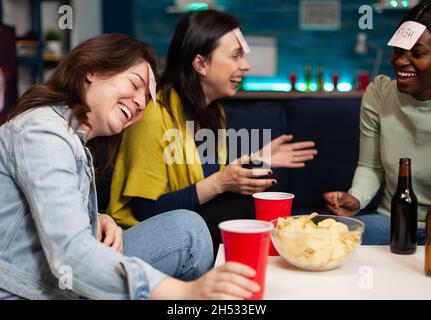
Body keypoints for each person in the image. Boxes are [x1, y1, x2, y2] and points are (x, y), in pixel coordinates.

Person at [0, 34, 261, 300]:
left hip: (51, 281)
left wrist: (95, 217)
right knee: (190, 232)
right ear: (92, 72)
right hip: (22, 291)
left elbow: (46, 209)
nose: (140, 104)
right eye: (134, 84)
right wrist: (187, 292)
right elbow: (71, 255)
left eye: (146, 99)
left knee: (189, 227)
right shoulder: (43, 132)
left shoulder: (71, 139)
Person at [108, 10, 317, 247]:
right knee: (248, 209)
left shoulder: (213, 113)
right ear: (201, 63)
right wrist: (220, 183)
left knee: (257, 197)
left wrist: (259, 159)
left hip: (190, 220)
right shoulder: (153, 115)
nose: (246, 65)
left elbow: (209, 186)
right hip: (150, 232)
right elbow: (146, 210)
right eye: (236, 56)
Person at [323, 0, 431, 245]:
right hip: (393, 220)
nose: (400, 61)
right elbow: (371, 166)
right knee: (328, 236)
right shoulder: (379, 94)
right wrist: (355, 199)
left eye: (417, 53)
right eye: (398, 50)